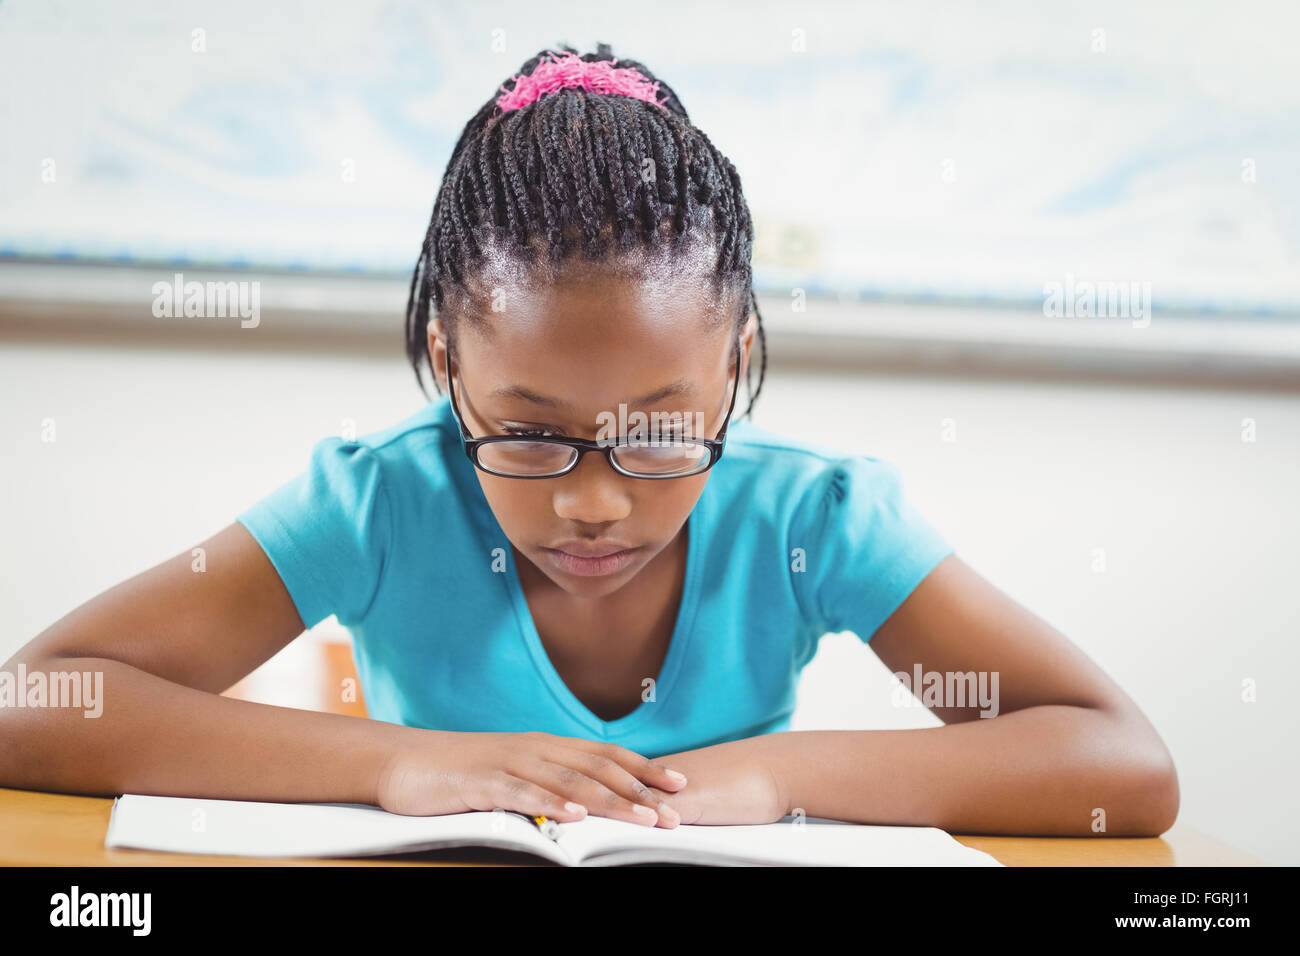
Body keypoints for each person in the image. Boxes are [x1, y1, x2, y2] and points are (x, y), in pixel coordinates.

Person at [0, 44, 1178, 835]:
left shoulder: (811, 520)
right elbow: (38, 700)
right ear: (445, 363)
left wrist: (768, 776)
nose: (595, 503)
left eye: (662, 430)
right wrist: (393, 764)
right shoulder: (381, 504)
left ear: (734, 367)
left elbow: (1121, 761)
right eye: (525, 431)